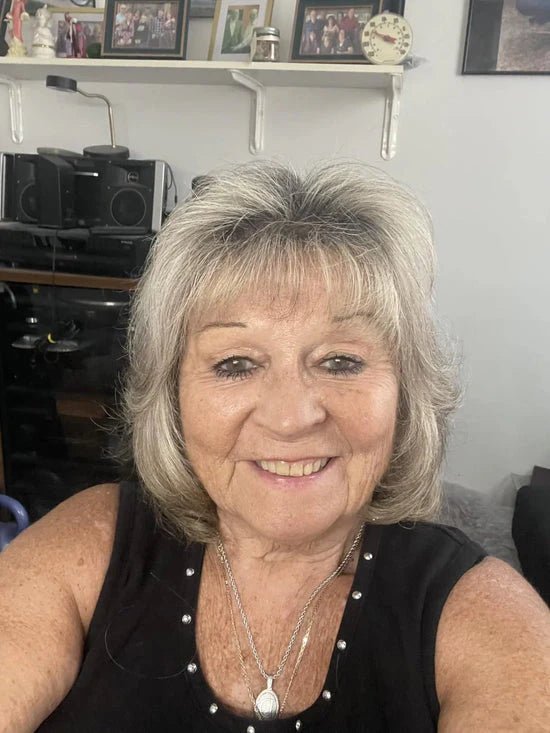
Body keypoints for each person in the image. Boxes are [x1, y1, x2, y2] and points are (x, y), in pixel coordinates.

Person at [1, 160, 549, 732]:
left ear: (405, 393)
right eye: (236, 364)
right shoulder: (88, 547)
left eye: (341, 361)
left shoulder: (484, 616)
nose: (290, 419)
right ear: (173, 395)